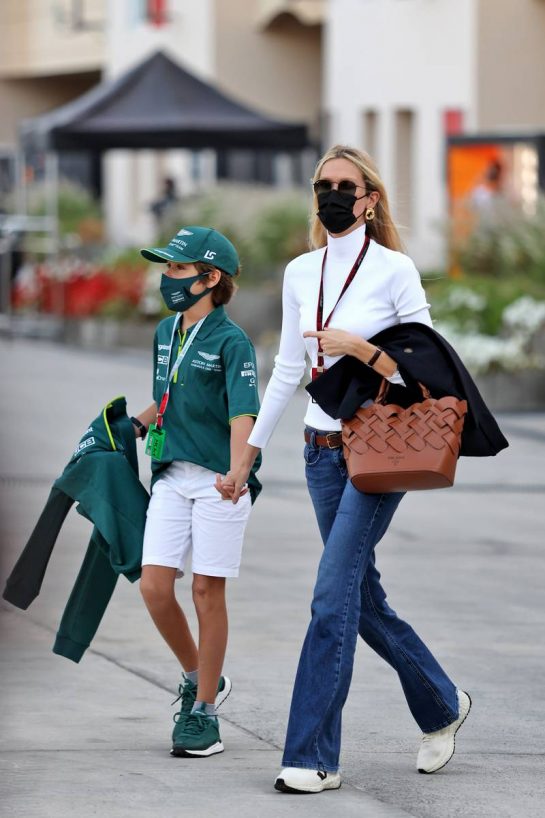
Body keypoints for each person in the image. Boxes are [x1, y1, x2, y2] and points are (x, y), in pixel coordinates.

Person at [216, 145, 472, 792]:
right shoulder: (302, 272)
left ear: (369, 199)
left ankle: (312, 755)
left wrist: (364, 351)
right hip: (317, 454)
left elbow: (427, 372)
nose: (331, 195)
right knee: (359, 595)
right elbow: (285, 369)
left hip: (377, 455)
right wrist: (248, 453)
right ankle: (441, 702)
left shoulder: (394, 271)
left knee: (331, 597)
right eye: (321, 185)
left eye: (344, 185)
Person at [133, 226, 261, 758]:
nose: (167, 277)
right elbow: (164, 400)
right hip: (171, 474)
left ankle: (204, 712)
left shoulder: (233, 342)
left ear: (211, 278)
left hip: (218, 483)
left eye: (178, 269)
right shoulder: (167, 333)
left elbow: (243, 414)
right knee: (154, 587)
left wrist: (237, 470)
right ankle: (198, 675)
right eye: (166, 267)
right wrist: (129, 424)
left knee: (207, 592)